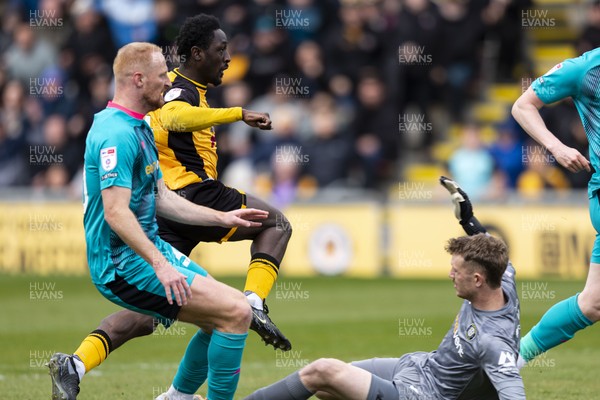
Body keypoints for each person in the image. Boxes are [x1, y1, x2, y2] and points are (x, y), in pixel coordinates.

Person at [47, 42, 270, 400]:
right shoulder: (116, 135)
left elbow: (162, 198)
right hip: (121, 265)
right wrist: (161, 264)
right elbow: (116, 212)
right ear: (138, 79)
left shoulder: (140, 127)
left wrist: (222, 216)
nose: (169, 82)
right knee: (235, 313)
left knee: (225, 315)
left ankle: (177, 397)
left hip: (149, 252)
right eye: (162, 75)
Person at [243, 176, 525, 400]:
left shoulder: (493, 342)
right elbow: (492, 246)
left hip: (422, 395)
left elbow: (513, 391)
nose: (450, 274)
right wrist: (467, 218)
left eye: (456, 271)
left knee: (322, 370)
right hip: (419, 366)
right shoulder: (502, 274)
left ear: (477, 279)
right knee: (327, 390)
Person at [511, 48, 598, 364]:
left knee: (592, 303)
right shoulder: (584, 69)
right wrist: (556, 147)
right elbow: (523, 106)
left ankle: (512, 360)